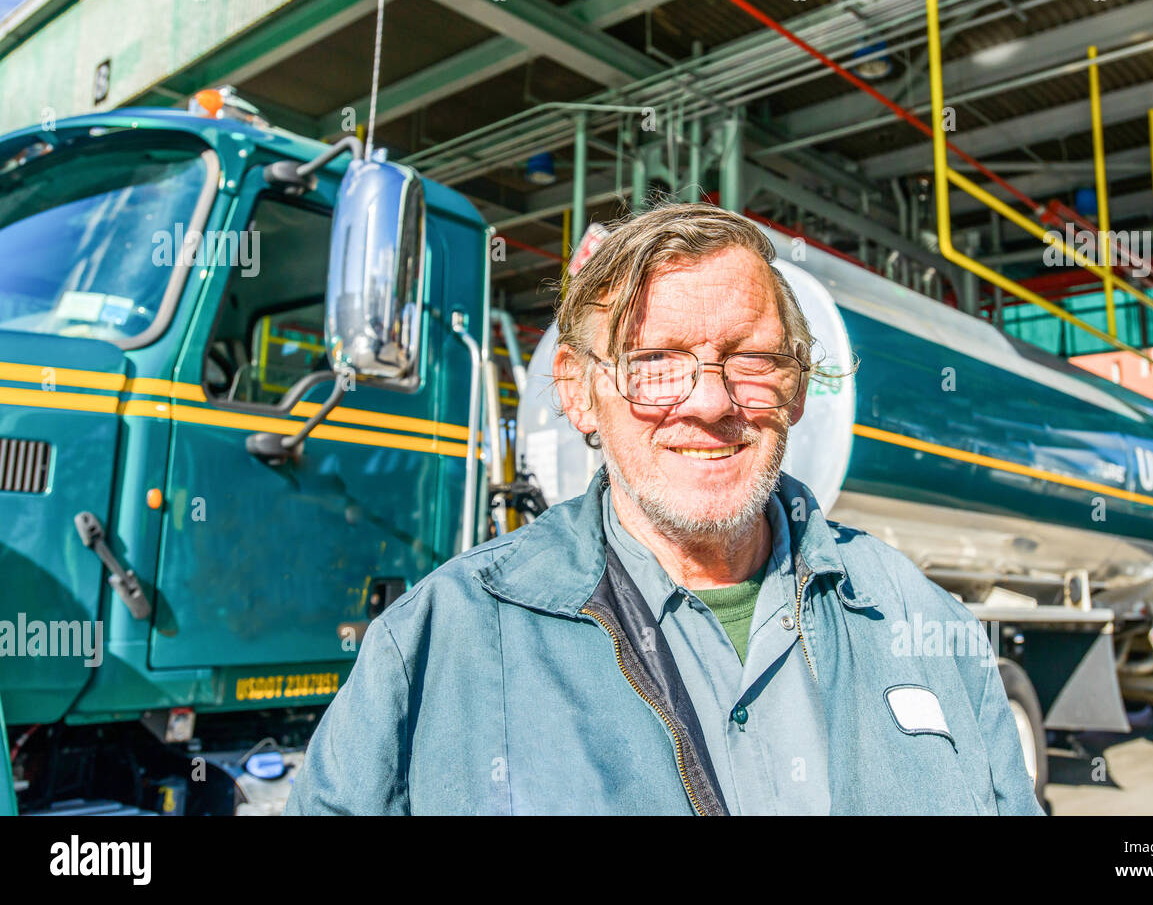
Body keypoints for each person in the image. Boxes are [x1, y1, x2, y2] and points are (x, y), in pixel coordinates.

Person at [285, 203, 1043, 815]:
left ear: (799, 387)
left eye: (753, 358)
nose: (711, 403)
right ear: (579, 389)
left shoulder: (920, 622)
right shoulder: (437, 647)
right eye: (655, 363)